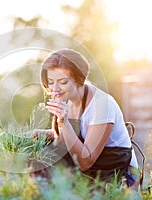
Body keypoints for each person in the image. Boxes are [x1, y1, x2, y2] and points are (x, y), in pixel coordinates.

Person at [35, 48, 139, 186]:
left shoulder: (102, 106)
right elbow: (69, 137)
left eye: (63, 82)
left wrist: (64, 122)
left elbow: (85, 161)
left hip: (116, 176)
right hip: (92, 171)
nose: (55, 88)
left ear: (80, 79)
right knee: (36, 161)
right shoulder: (68, 99)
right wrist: (41, 134)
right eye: (51, 81)